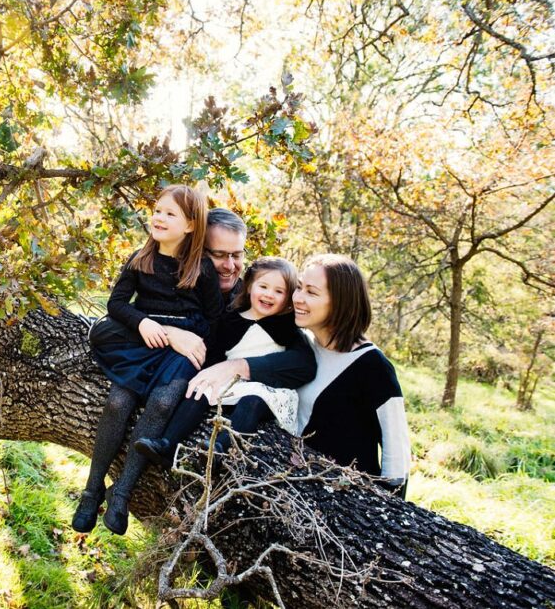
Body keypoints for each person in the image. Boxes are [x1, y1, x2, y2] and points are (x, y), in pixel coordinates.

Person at [183, 254, 411, 496]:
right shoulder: (299, 346)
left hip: (347, 496)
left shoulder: (372, 365)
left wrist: (387, 510)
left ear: (341, 302)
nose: (298, 298)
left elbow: (397, 455)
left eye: (311, 292)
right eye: (299, 287)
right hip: (288, 489)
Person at [73, 185, 223, 535]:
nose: (159, 217)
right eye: (157, 210)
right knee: (117, 402)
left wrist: (205, 357)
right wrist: (143, 322)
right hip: (143, 339)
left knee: (164, 400)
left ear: (190, 225)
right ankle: (92, 490)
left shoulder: (200, 267)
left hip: (183, 347)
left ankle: (122, 492)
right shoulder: (141, 258)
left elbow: (215, 319)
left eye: (170, 213)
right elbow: (117, 304)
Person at [135, 257, 307, 468]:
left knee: (251, 401)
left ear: (288, 298)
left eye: (279, 291)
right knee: (200, 392)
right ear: (250, 286)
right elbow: (215, 354)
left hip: (267, 389)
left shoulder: (288, 325)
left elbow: (302, 362)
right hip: (231, 382)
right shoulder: (231, 319)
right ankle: (166, 445)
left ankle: (218, 450)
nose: (269, 294)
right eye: (263, 286)